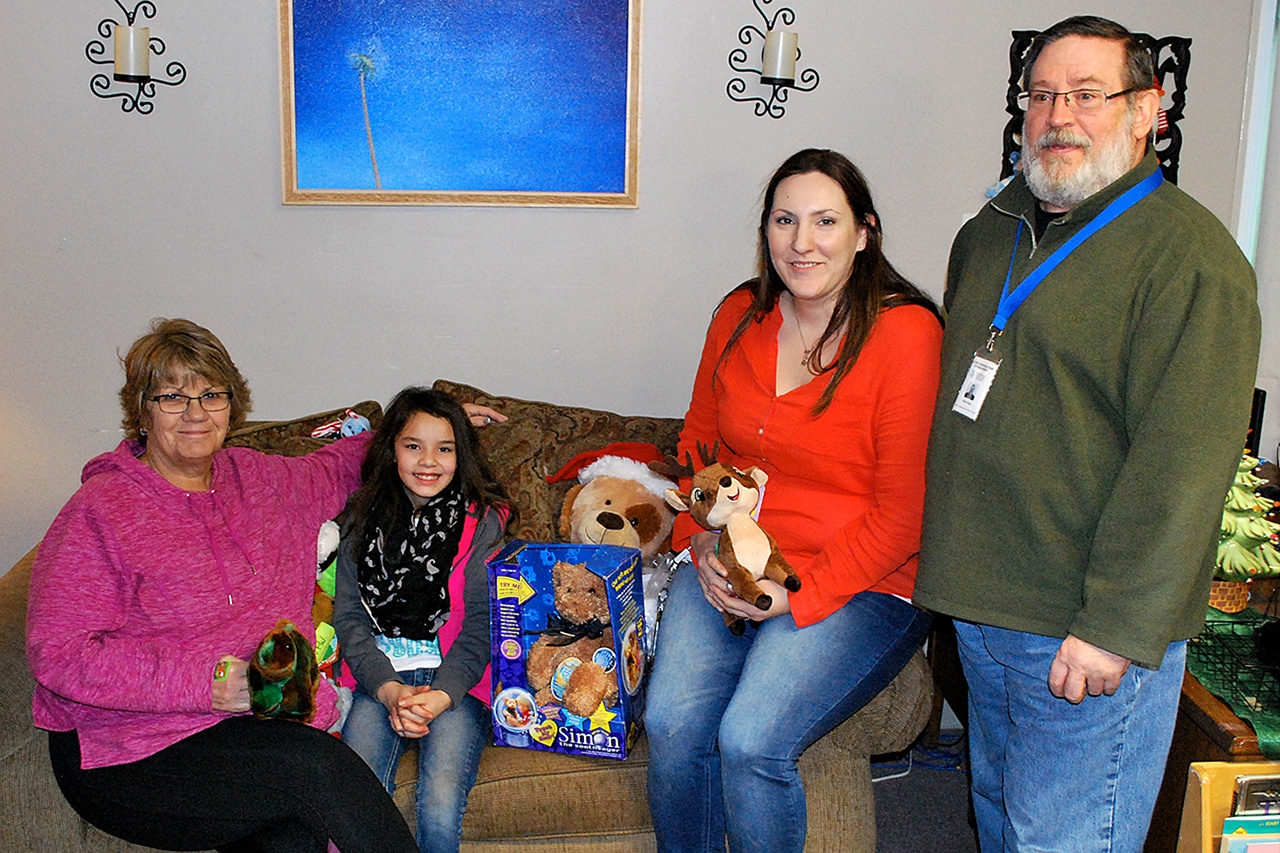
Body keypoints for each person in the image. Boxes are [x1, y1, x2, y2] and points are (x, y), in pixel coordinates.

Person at [915, 16, 1262, 852]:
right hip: (983, 608)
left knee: (1064, 840)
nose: (1057, 114)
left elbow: (1183, 467)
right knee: (1000, 822)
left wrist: (1115, 624)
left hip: (1082, 628)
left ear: (1150, 111)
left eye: (1086, 94)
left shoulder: (1190, 258)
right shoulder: (988, 233)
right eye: (1040, 95)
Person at [25, 318, 503, 853]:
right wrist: (203, 683)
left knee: (300, 838)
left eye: (211, 394)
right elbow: (59, 655)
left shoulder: (262, 481)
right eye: (172, 398)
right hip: (129, 751)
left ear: (233, 403)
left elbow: (345, 461)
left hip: (251, 731)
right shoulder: (101, 510)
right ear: (141, 410)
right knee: (320, 769)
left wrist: (438, 423)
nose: (195, 414)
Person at [645, 148, 942, 852]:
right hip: (730, 558)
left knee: (750, 739)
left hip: (863, 579)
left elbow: (904, 516)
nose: (801, 242)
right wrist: (700, 545)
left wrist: (796, 598)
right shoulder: (739, 315)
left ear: (864, 232)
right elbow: (696, 447)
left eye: (824, 221)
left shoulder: (906, 334)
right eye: (784, 220)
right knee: (672, 725)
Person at [335, 386, 514, 853]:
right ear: (391, 448)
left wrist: (441, 696)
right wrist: (388, 689)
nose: (428, 461)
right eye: (413, 445)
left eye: (445, 448)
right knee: (355, 795)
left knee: (438, 800)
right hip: (378, 679)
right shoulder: (359, 516)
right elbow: (349, 618)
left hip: (454, 680)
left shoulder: (484, 521)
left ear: (462, 455)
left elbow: (481, 626)